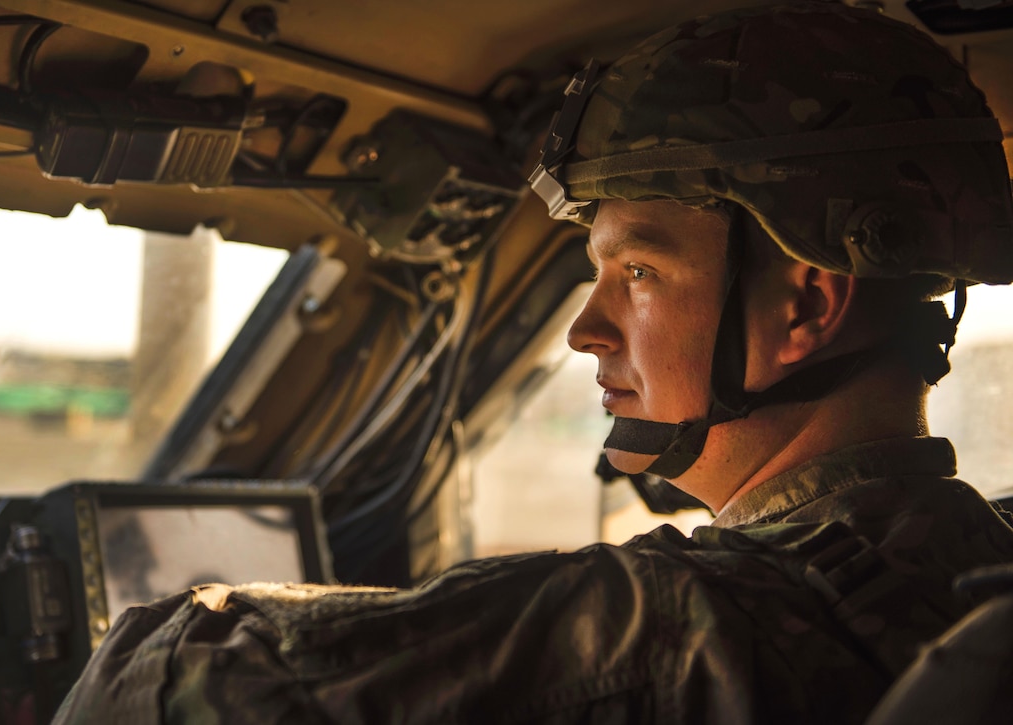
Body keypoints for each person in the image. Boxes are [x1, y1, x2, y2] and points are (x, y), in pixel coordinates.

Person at [54, 2, 1013, 723]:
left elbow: (161, 681)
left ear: (806, 300)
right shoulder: (981, 565)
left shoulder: (686, 631)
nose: (583, 330)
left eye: (638, 269)